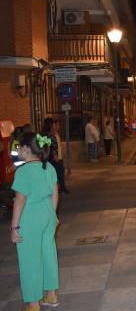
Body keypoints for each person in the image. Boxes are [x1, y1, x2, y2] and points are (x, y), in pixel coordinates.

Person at [11, 132, 60, 310]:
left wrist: (14, 226)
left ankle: (33, 303)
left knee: (30, 259)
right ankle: (52, 295)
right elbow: (55, 192)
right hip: (47, 213)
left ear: (25, 149)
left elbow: (20, 200)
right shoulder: (49, 167)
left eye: (18, 147)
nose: (17, 150)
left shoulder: (23, 172)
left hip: (30, 217)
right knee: (48, 254)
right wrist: (53, 214)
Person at [41, 118, 68, 194]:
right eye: (53, 124)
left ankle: (58, 189)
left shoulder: (43, 134)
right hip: (52, 159)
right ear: (51, 125)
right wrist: (55, 155)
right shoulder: (48, 135)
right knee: (57, 173)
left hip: (47, 159)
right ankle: (57, 190)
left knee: (53, 174)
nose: (54, 125)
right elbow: (50, 147)